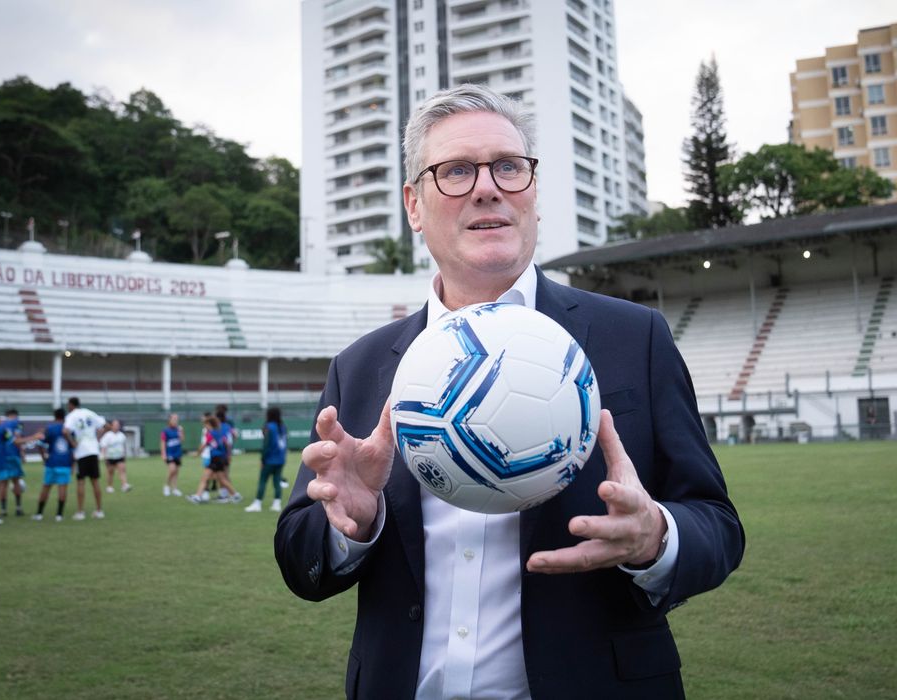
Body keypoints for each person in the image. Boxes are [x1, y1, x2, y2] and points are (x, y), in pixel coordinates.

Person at [275, 85, 744, 699]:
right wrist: (353, 525)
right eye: (457, 171)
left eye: (508, 166)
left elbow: (717, 525)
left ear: (533, 192)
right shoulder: (361, 367)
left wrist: (656, 535)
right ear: (414, 206)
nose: (487, 186)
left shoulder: (635, 338)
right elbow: (300, 560)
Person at [64, 397, 107, 520]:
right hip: (93, 450)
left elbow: (65, 431)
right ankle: (99, 511)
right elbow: (106, 426)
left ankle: (80, 512)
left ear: (71, 405)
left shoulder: (71, 416)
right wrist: (98, 438)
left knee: (81, 481)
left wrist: (73, 443)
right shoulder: (89, 412)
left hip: (81, 452)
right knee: (95, 481)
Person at [188, 415, 241, 504]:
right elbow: (227, 444)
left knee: (205, 478)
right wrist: (228, 455)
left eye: (206, 425)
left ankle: (197, 497)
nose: (205, 427)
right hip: (221, 458)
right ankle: (236, 495)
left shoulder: (211, 434)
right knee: (222, 479)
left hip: (216, 459)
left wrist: (197, 454)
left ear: (210, 424)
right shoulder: (220, 432)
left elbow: (204, 445)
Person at [33, 408, 73, 522]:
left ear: (54, 416)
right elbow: (73, 448)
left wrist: (44, 458)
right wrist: (73, 464)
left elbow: (40, 444)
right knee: (63, 488)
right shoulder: (69, 430)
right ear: (64, 417)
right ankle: (59, 515)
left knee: (46, 487)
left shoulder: (49, 429)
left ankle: (39, 514)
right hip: (65, 463)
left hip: (51, 462)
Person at [246, 407, 287, 513]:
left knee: (262, 481)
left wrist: (262, 459)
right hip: (280, 459)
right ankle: (277, 504)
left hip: (270, 460)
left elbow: (266, 445)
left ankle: (257, 503)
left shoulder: (269, 427)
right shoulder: (282, 426)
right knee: (277, 481)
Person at [100, 419, 131, 494]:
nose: (117, 426)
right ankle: (109, 487)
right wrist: (104, 456)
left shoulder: (121, 435)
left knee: (122, 470)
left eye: (118, 425)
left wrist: (124, 454)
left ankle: (124, 485)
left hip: (119, 456)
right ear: (111, 426)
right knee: (110, 472)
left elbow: (123, 446)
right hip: (110, 457)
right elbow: (104, 447)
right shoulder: (107, 435)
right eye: (115, 425)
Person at [160, 413, 185, 497]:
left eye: (176, 419)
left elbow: (181, 440)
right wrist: (163, 454)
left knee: (176, 471)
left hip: (178, 453)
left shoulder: (179, 429)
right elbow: (163, 442)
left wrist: (181, 433)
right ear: (169, 420)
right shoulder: (165, 431)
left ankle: (174, 489)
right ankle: (166, 486)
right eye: (173, 419)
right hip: (170, 453)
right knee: (172, 470)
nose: (175, 421)